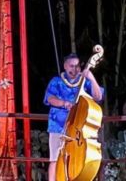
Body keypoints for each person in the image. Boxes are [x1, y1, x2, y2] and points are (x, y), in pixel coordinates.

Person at [44, 52, 103, 181]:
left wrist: (91, 78)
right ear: (65, 66)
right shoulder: (56, 81)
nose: (74, 69)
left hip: (78, 130)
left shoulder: (84, 82)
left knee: (79, 161)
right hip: (58, 127)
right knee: (55, 159)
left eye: (77, 66)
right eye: (71, 66)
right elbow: (50, 98)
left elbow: (98, 97)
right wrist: (64, 103)